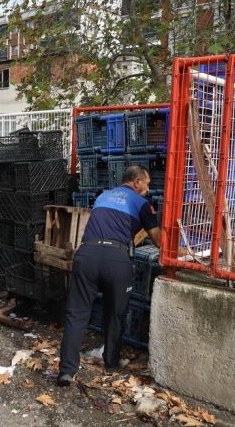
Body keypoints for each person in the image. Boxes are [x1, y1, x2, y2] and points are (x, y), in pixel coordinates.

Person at [57, 165, 161, 386]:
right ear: (135, 181)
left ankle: (66, 371)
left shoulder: (103, 196)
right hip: (116, 259)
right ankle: (111, 364)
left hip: (86, 255)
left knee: (76, 314)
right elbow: (157, 238)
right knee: (115, 314)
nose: (148, 188)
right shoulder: (143, 204)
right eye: (146, 183)